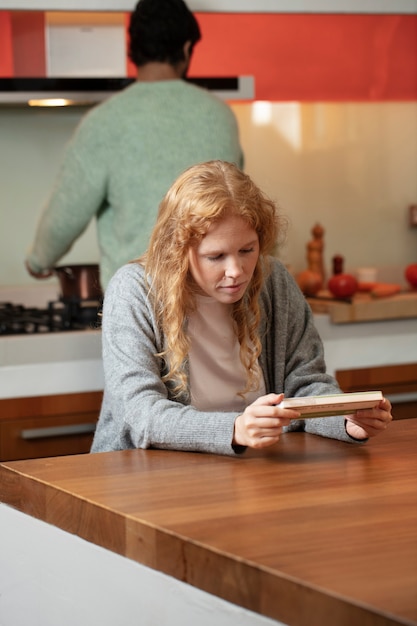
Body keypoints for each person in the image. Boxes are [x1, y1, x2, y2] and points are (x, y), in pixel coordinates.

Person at [91, 160, 392, 456]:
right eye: (216, 256)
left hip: (258, 469)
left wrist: (345, 420)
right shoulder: (135, 290)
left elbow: (305, 383)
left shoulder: (273, 281)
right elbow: (140, 413)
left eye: (247, 250)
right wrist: (235, 429)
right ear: (178, 249)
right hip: (147, 477)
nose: (236, 270)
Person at [25, 0, 244, 290]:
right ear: (187, 48)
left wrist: (38, 260)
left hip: (138, 302)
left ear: (133, 49)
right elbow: (241, 203)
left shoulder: (104, 121)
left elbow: (66, 212)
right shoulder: (220, 116)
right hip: (210, 301)